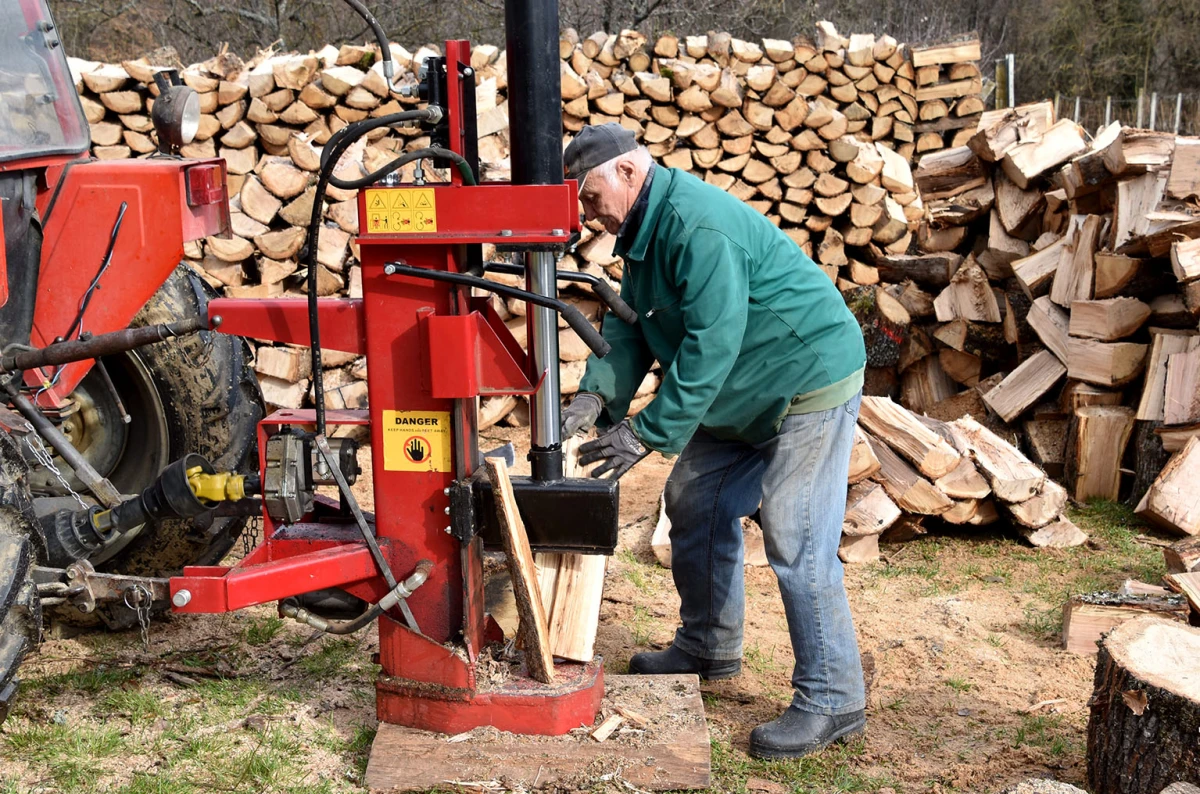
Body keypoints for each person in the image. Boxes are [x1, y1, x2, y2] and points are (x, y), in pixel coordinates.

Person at [560, 123, 868, 760]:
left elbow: (711, 342)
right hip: (745, 386)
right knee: (695, 500)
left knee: (795, 534)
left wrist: (646, 431)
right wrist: (598, 394)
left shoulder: (696, 227)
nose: (586, 213)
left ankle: (833, 697)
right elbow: (638, 327)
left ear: (627, 172)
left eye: (589, 196)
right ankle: (708, 646)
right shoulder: (644, 231)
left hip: (805, 377)